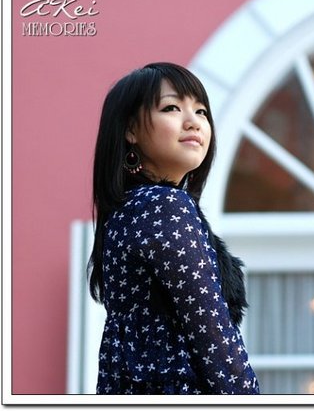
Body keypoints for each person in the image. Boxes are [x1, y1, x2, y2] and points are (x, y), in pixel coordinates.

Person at [87, 62, 260, 394]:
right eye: (171, 108)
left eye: (201, 111)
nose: (193, 121)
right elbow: (213, 335)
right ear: (130, 130)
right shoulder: (163, 205)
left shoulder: (128, 211)